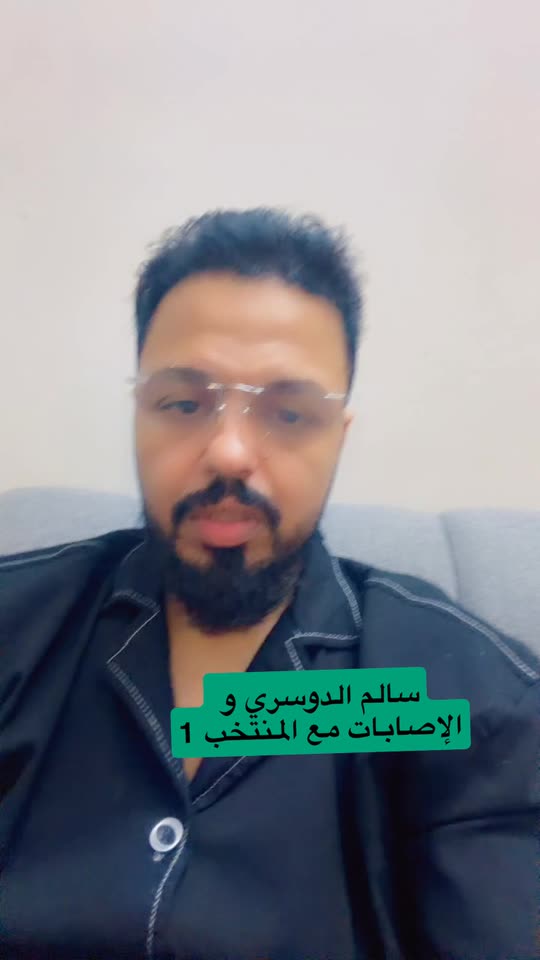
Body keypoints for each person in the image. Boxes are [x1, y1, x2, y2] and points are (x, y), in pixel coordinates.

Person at [0, 208, 538, 960]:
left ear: (337, 439)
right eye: (183, 404)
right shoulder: (18, 629)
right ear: (139, 415)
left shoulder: (455, 692)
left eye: (288, 412)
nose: (228, 452)